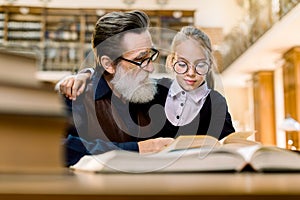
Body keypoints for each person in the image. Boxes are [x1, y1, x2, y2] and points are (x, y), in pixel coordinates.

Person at [59, 25, 235, 165]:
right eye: (183, 64)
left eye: (200, 65)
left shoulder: (215, 101)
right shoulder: (157, 91)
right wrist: (86, 74)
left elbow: (228, 141)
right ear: (171, 61)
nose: (191, 73)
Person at [59, 10, 174, 167]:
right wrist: (138, 149)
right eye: (140, 59)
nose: (150, 69)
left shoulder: (158, 93)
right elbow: (58, 147)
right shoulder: (76, 96)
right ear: (109, 64)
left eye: (150, 56)